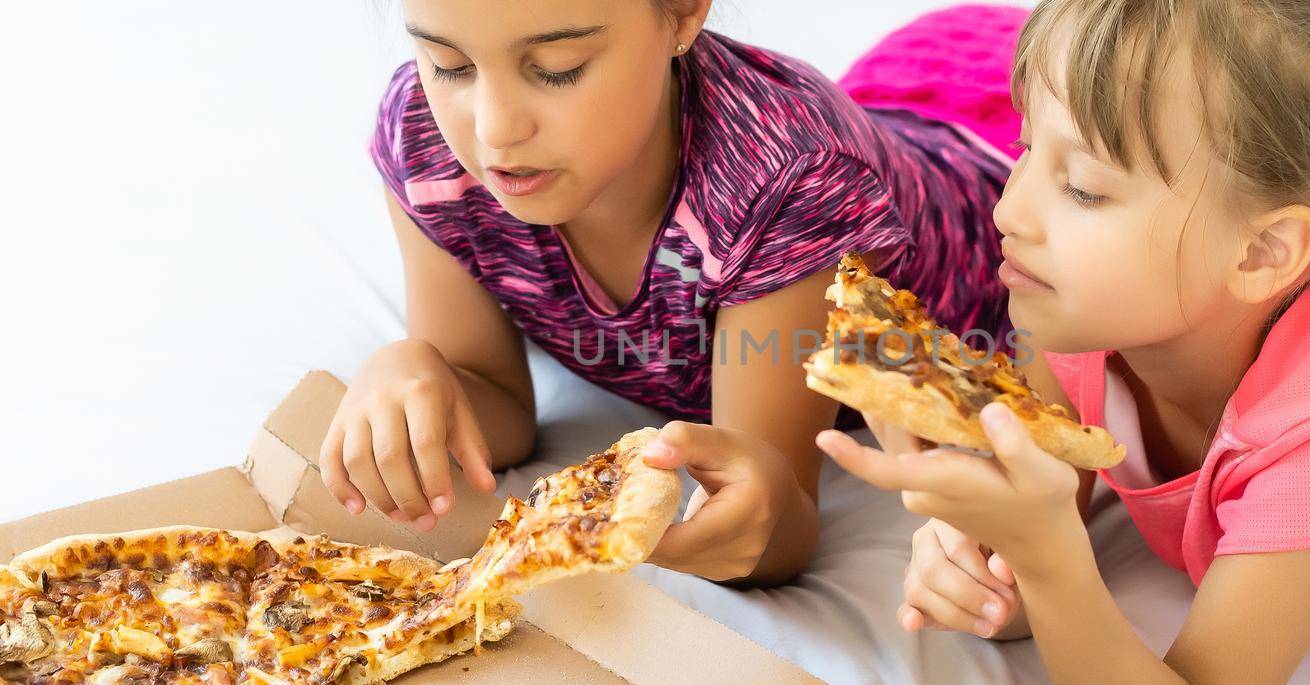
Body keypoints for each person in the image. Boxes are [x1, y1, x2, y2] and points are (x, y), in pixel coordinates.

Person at [817, 0, 1310, 680]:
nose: (1009, 212)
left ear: (1262, 253)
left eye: (1083, 187)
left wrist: (1050, 554)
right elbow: (1028, 573)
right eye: (1027, 149)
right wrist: (984, 558)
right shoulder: (1083, 312)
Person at [320, 0, 1020, 586]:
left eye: (557, 69)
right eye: (450, 65)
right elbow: (493, 404)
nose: (496, 130)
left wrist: (756, 516)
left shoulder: (787, 182)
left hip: (988, 151)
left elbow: (778, 509)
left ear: (683, 12)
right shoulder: (427, 139)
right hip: (881, 117)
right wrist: (415, 370)